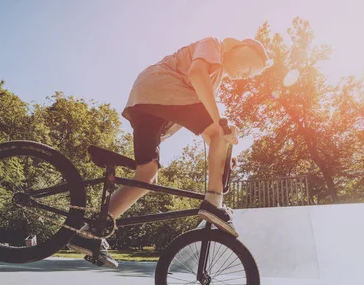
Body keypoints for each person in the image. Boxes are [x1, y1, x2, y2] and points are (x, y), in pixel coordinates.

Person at [69, 37, 272, 267]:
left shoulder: (216, 77)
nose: (246, 74)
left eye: (251, 74)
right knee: (218, 130)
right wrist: (220, 125)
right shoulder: (213, 45)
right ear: (239, 47)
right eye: (249, 66)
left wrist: (222, 152)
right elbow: (197, 75)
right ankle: (213, 203)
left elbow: (210, 134)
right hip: (161, 88)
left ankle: (90, 232)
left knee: (147, 175)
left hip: (146, 100)